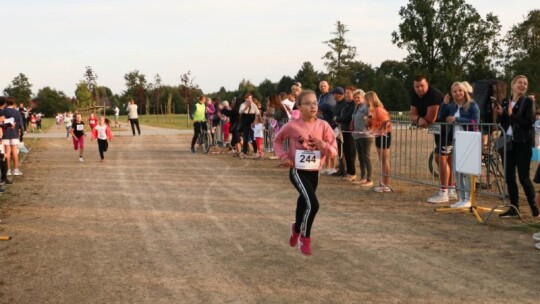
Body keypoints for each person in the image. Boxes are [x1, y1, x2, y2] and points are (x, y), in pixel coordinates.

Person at [273, 89, 337, 256]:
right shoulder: (292, 125)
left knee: (304, 203)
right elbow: (277, 141)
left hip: (314, 172)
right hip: (297, 171)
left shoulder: (324, 126)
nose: (312, 106)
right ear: (299, 107)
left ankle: (295, 228)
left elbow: (334, 151)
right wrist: (284, 156)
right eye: (307, 103)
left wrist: (323, 145)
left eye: (315, 103)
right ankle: (305, 237)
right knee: (313, 204)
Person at [494, 75, 539, 218]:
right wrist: (501, 114)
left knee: (523, 177)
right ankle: (514, 208)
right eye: (520, 82)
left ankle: (535, 208)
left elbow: (528, 123)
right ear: (512, 85)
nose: (523, 85)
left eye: (525, 83)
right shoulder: (506, 101)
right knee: (509, 177)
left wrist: (511, 115)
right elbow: (504, 123)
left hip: (523, 143)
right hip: (508, 143)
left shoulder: (528, 102)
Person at [441, 82, 480, 208]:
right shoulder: (452, 106)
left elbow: (475, 122)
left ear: (465, 92)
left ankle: (468, 198)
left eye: (460, 91)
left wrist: (457, 120)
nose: (458, 93)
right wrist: (444, 104)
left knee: (467, 171)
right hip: (456, 140)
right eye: (455, 91)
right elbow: (441, 117)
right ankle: (461, 197)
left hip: (468, 140)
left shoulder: (472, 105)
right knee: (457, 170)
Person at [365, 91, 392, 193]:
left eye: (366, 99)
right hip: (379, 135)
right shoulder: (372, 110)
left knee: (385, 160)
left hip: (384, 135)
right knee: (382, 160)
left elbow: (386, 122)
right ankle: (383, 182)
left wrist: (380, 129)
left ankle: (386, 184)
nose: (364, 102)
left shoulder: (379, 110)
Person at [351, 89, 374, 187]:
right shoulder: (356, 107)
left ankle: (369, 179)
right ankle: (363, 178)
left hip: (366, 135)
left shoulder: (365, 106)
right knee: (361, 158)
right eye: (355, 98)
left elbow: (371, 116)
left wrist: (368, 121)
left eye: (358, 97)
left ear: (363, 97)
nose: (356, 99)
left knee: (366, 157)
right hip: (357, 136)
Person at [335, 86, 357, 181]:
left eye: (349, 93)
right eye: (346, 92)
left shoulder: (353, 104)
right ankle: (349, 172)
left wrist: (337, 119)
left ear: (353, 94)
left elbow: (347, 118)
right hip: (344, 131)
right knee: (346, 152)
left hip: (349, 131)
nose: (347, 94)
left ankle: (352, 173)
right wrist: (339, 118)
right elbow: (342, 115)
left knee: (350, 152)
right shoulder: (347, 104)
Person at [1, 98, 24, 176]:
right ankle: (16, 169)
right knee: (14, 151)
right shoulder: (17, 112)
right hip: (14, 132)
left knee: (7, 152)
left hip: (5, 133)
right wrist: (20, 132)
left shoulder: (3, 111)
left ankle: (8, 170)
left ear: (6, 103)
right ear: (13, 103)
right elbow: (20, 124)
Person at [317, 80, 336, 173]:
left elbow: (325, 106)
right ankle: (326, 166)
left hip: (331, 124)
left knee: (331, 146)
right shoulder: (320, 96)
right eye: (321, 86)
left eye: (324, 86)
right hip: (323, 124)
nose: (323, 88)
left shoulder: (330, 96)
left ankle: (333, 167)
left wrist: (316, 107)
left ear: (328, 87)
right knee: (324, 146)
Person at [330, 86, 347, 177]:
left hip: (342, 129)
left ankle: (344, 169)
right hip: (337, 128)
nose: (333, 96)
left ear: (338, 95)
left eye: (334, 94)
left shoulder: (345, 104)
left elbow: (342, 116)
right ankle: (341, 168)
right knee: (339, 149)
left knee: (343, 149)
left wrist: (337, 119)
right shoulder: (337, 103)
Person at [238, 93, 260, 158]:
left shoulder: (254, 105)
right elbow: (240, 112)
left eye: (250, 98)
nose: (249, 100)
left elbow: (257, 114)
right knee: (245, 138)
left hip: (252, 123)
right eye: (248, 98)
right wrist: (246, 107)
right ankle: (244, 153)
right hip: (245, 123)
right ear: (245, 99)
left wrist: (255, 122)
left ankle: (256, 152)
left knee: (253, 138)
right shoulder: (243, 105)